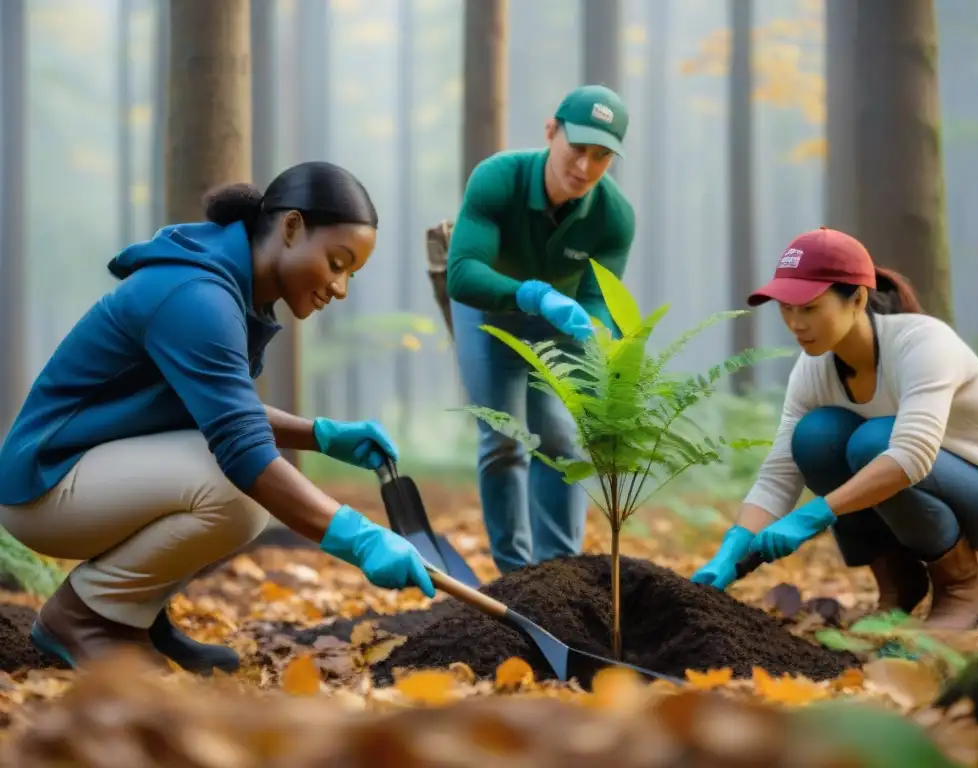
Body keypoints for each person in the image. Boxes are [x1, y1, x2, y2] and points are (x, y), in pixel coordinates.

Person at [0, 161, 436, 673]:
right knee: (236, 491)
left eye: (351, 275)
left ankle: (133, 618)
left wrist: (320, 436)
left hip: (86, 469)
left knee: (231, 482)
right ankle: (83, 618)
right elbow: (243, 447)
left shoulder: (226, 287)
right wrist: (359, 538)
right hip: (47, 482)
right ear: (291, 228)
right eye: (337, 263)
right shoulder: (197, 297)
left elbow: (220, 407)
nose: (339, 288)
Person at [692, 227, 978, 630]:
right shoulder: (814, 368)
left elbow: (912, 455)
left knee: (874, 443)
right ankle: (898, 585)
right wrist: (734, 547)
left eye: (810, 308)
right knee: (815, 437)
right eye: (786, 308)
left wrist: (816, 513)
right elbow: (781, 473)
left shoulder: (925, 344)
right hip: (925, 502)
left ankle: (962, 592)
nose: (795, 323)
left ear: (858, 299)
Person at [445, 84, 636, 575]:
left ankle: (558, 575)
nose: (584, 168)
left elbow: (599, 296)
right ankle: (515, 575)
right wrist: (532, 294)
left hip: (559, 321)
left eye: (601, 157)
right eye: (577, 149)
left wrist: (593, 333)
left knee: (561, 438)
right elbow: (463, 273)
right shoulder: (498, 179)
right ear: (552, 132)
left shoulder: (614, 217)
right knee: (504, 438)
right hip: (487, 309)